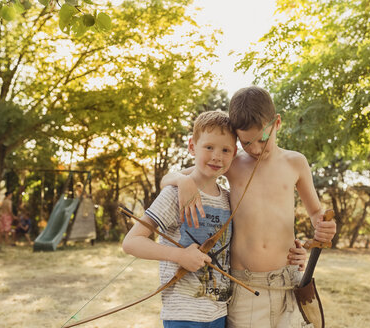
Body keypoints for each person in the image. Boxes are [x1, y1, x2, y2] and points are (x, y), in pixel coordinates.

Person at [161, 86, 337, 328]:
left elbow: (316, 212)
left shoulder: (295, 163)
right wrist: (183, 180)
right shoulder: (232, 163)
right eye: (246, 143)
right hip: (246, 285)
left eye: (263, 140)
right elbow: (167, 179)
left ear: (277, 123)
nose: (255, 149)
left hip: (289, 280)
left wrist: (323, 228)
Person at [122, 111, 238, 328]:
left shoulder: (229, 199)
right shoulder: (174, 194)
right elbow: (131, 242)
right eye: (209, 147)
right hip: (184, 315)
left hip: (220, 313)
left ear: (234, 154)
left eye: (225, 150)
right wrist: (180, 255)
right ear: (192, 146)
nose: (217, 156)